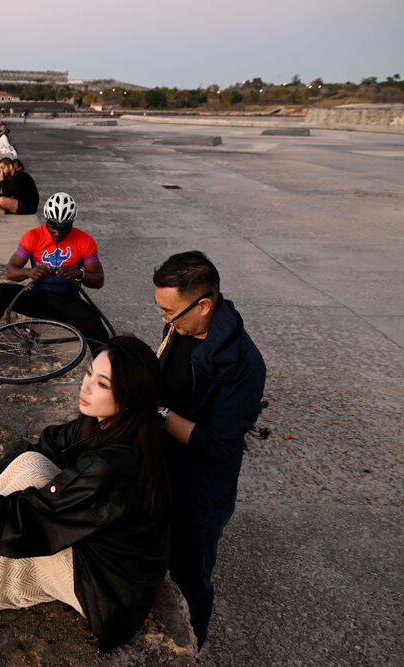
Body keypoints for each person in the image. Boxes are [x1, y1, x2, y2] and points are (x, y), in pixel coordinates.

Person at [0, 335, 171, 650]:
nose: (85, 387)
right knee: (30, 464)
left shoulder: (112, 466)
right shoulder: (116, 426)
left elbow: (34, 518)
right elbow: (44, 446)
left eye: (103, 385)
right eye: (89, 374)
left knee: (13, 527)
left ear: (128, 399)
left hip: (106, 592)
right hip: (105, 555)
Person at [151, 250, 266, 650]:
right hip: (163, 469)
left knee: (190, 575)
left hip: (201, 489)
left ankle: (192, 647)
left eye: (171, 313)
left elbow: (217, 443)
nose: (165, 320)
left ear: (204, 304)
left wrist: (160, 415)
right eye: (161, 311)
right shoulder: (180, 327)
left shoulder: (242, 363)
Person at [0, 193, 108, 349]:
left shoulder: (85, 241)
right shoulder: (33, 237)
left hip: (67, 301)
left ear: (72, 222)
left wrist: (79, 274)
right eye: (53, 226)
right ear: (46, 220)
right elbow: (10, 270)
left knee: (101, 337)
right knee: (0, 290)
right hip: (38, 298)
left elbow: (98, 280)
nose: (58, 232)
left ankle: (105, 368)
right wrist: (29, 273)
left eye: (64, 227)